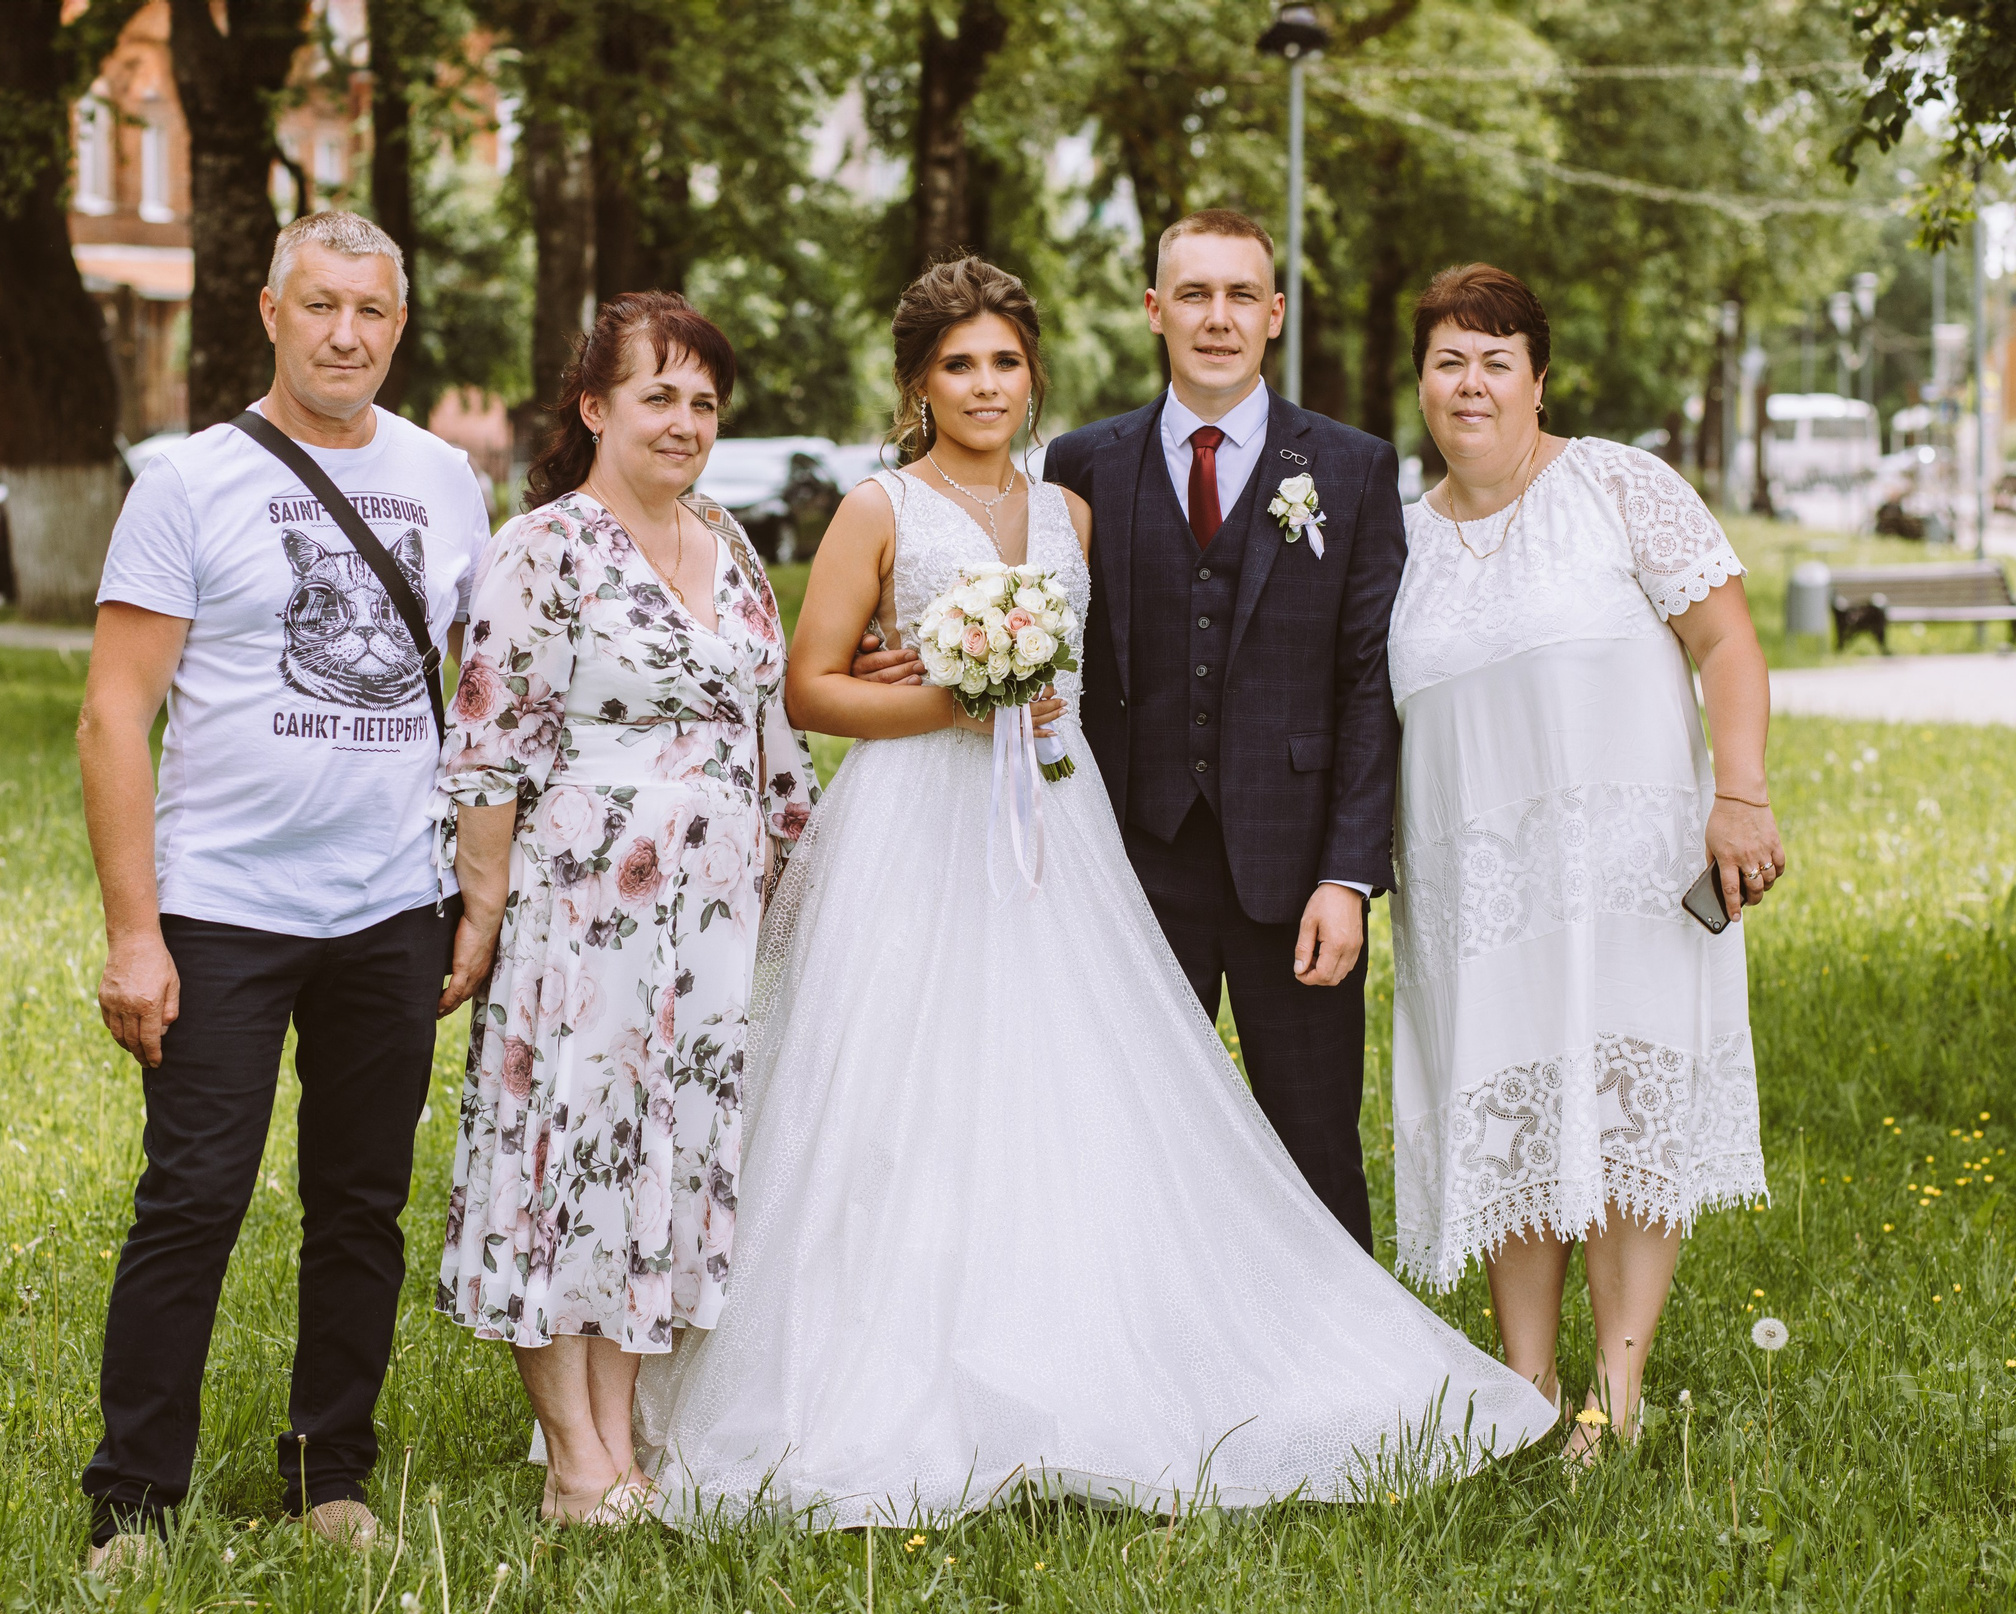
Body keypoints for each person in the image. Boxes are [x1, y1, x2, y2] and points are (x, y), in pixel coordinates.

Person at [634, 257, 1553, 1529]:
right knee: (908, 1094)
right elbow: (810, 686)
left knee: (1077, 1091)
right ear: (918, 383)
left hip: (1061, 830)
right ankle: (892, 1369)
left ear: (1034, 375)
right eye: (958, 364)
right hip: (919, 831)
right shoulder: (884, 506)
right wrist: (945, 699)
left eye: (1005, 362)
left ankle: (1123, 1349)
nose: (984, 384)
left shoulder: (1066, 508)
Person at [854, 209, 1403, 1253]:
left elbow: (1367, 686)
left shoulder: (1352, 467)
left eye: (1240, 295)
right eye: (1193, 294)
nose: (1217, 317)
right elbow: (1032, 623)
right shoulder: (1085, 465)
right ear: (1155, 310)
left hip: (1293, 868)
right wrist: (913, 661)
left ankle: (1338, 1342)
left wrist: (1347, 874)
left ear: (1275, 314)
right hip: (1124, 861)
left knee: (1315, 1140)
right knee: (1123, 1140)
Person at [76, 209, 492, 1569]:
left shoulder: (445, 480)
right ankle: (134, 1501)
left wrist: (475, 892)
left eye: (371, 311)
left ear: (399, 326)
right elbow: (114, 716)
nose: (345, 335)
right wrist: (135, 933)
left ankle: (332, 1478)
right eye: (320, 306)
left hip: (391, 904)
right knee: (193, 1198)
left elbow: (481, 701)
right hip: (222, 909)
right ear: (270, 313)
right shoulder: (187, 483)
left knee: (360, 1203)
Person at [432, 292, 816, 1525]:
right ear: (595, 407)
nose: (684, 421)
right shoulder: (542, 547)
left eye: (704, 401)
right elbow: (487, 744)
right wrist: (484, 907)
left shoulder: (730, 541)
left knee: (656, 1162)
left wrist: (798, 868)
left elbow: (770, 730)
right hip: (583, 908)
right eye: (659, 395)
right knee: (566, 1157)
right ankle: (575, 1461)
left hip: (709, 924)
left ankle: (621, 1440)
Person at [1386, 264, 1778, 1462]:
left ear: (1537, 380)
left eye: (1495, 361)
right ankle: (1527, 1385)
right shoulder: (1396, 541)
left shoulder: (1618, 486)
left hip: (1625, 873)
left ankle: (1614, 1391)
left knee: (1618, 1108)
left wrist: (1740, 794)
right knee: (1508, 1104)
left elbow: (1726, 642)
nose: (1471, 384)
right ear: (1419, 383)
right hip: (1475, 890)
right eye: (1448, 361)